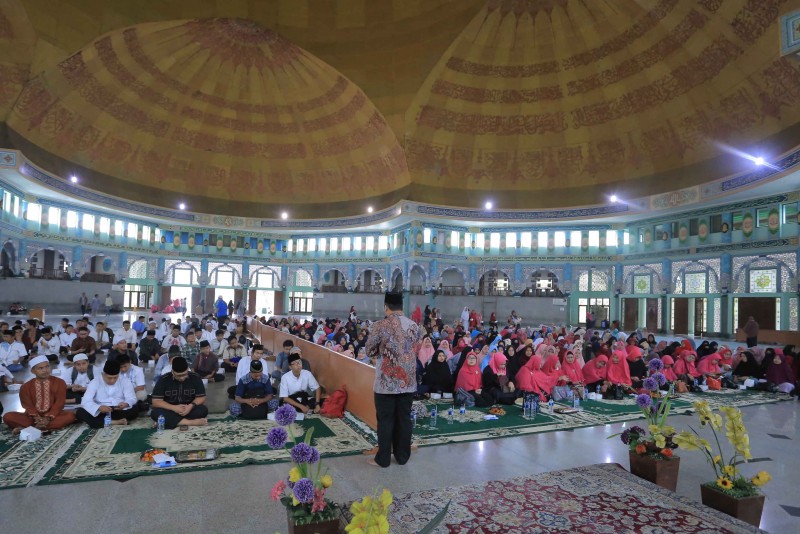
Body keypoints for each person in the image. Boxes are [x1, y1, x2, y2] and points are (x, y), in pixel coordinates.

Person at [365, 291, 421, 468]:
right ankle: (402, 457)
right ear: (402, 307)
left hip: (386, 383)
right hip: (408, 383)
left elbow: (369, 350)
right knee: (404, 419)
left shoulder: (379, 325)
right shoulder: (414, 326)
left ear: (386, 307)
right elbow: (415, 349)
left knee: (385, 420)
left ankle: (383, 459)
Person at [3, 356, 77, 435]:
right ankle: (42, 427)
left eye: (47, 366)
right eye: (40, 368)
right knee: (8, 416)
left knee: (70, 416)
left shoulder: (60, 382)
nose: (45, 370)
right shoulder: (25, 387)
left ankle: (30, 428)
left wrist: (48, 418)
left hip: (54, 416)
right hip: (32, 418)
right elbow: (27, 405)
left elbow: (59, 403)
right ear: (33, 371)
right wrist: (36, 417)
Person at [75, 359, 138, 428]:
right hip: (101, 412)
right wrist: (99, 408)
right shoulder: (95, 382)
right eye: (109, 378)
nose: (112, 380)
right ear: (103, 374)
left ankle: (102, 422)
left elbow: (132, 398)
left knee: (135, 408)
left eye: (115, 378)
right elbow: (85, 401)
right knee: (80, 412)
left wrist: (126, 403)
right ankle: (114, 422)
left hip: (118, 410)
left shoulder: (125, 381)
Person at [150, 356, 208, 429]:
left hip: (188, 409)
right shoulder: (163, 379)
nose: (182, 378)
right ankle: (190, 422)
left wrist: (190, 406)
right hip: (170, 409)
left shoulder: (195, 378)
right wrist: (174, 408)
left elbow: (201, 397)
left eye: (184, 375)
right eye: (178, 376)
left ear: (187, 370)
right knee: (155, 413)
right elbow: (156, 401)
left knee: (203, 410)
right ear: (172, 372)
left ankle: (168, 422)